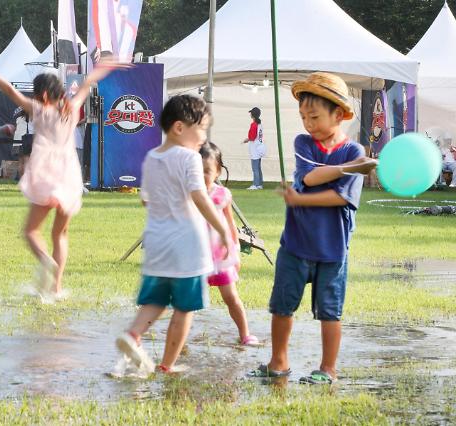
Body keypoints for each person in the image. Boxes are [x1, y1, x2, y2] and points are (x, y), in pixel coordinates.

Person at [247, 72, 377, 385]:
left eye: (315, 116)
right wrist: (347, 169)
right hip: (294, 243)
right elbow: (308, 178)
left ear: (339, 115)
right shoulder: (306, 143)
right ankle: (278, 362)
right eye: (303, 116)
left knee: (330, 311)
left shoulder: (353, 151)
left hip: (332, 249)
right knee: (282, 305)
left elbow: (340, 197)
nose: (308, 123)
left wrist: (342, 171)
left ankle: (327, 369)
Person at [0, 51, 121, 300]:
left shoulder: (38, 109)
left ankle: (47, 262)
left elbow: (8, 90)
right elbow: (90, 81)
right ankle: (56, 287)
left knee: (30, 232)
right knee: (60, 233)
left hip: (46, 174)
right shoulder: (72, 107)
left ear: (42, 95)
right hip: (69, 175)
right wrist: (106, 66)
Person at [115, 95, 229, 374]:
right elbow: (200, 197)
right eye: (201, 128)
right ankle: (167, 365)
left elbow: (147, 199)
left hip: (156, 243)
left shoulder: (152, 157)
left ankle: (132, 335)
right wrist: (224, 229)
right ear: (179, 128)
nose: (204, 136)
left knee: (155, 300)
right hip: (186, 245)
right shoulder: (190, 157)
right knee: (184, 307)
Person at [199, 141, 259, 346]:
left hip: (221, 257)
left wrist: (235, 254)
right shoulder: (190, 194)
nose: (202, 175)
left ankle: (245, 334)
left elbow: (231, 227)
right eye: (197, 171)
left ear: (217, 172)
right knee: (184, 302)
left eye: (207, 171)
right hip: (196, 258)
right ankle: (177, 340)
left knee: (231, 297)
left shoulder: (222, 194)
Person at [242, 107, 265, 190]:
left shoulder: (253, 124)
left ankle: (255, 184)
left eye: (251, 113)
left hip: (255, 148)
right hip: (260, 147)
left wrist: (246, 140)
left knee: (255, 168)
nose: (250, 114)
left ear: (253, 115)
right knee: (258, 167)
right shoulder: (260, 124)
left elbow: (252, 137)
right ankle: (259, 184)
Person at [13, 106, 33, 179]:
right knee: (27, 161)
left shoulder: (18, 119)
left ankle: (21, 180)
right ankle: (26, 180)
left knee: (21, 162)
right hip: (27, 141)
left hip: (17, 142)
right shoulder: (32, 118)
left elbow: (15, 129)